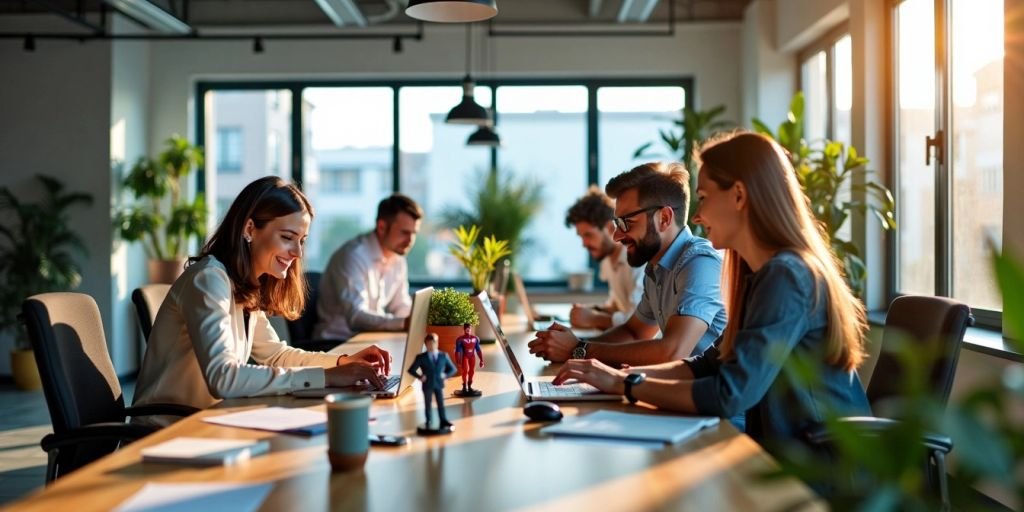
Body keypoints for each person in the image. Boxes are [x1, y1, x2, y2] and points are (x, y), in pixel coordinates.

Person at [553, 132, 871, 451]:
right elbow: (707, 365)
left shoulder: (786, 276)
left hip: (820, 466)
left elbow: (727, 393)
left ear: (738, 195)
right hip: (781, 452)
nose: (695, 216)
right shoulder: (758, 275)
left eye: (703, 197)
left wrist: (624, 383)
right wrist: (611, 375)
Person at [133, 177, 391, 424]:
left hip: (208, 422)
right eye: (288, 238)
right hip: (167, 433)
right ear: (249, 229)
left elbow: (275, 355)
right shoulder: (209, 279)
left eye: (301, 241)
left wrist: (341, 363)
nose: (298, 253)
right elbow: (223, 377)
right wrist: (325, 377)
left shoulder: (243, 284)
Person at [528, 162, 727, 367]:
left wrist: (578, 350)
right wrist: (573, 346)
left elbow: (672, 351)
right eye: (616, 224)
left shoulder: (700, 263)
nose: (616, 235)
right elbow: (634, 332)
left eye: (626, 223)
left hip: (706, 395)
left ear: (664, 218)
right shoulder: (656, 268)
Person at [314, 193, 423, 341]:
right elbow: (356, 316)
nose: (410, 241)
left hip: (369, 339)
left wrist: (414, 321)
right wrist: (404, 322)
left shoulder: (398, 259)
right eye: (404, 232)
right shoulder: (353, 256)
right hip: (336, 344)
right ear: (382, 227)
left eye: (414, 233)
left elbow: (401, 305)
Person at [564, 186, 644, 330]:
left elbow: (637, 321)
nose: (584, 244)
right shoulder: (607, 260)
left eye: (588, 235)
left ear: (609, 228)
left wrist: (593, 318)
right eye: (581, 237)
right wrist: (591, 310)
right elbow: (618, 305)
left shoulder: (636, 260)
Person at [407, 333, 458, 433]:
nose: (431, 345)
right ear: (426, 344)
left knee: (441, 403)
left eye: (433, 343)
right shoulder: (421, 357)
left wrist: (445, 375)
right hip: (428, 384)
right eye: (429, 344)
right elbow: (411, 370)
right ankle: (428, 421)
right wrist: (420, 376)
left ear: (437, 343)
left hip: (439, 384)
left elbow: (453, 369)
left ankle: (443, 420)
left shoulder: (443, 356)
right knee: (428, 404)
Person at [454, 323, 484, 396]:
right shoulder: (460, 339)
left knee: (472, 371)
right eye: (466, 328)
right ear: (464, 329)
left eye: (469, 328)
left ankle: (469, 386)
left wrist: (481, 360)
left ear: (471, 329)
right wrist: (458, 360)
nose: (468, 329)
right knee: (465, 371)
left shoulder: (475, 338)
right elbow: (457, 350)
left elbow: (478, 350)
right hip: (465, 356)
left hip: (472, 357)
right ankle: (464, 386)